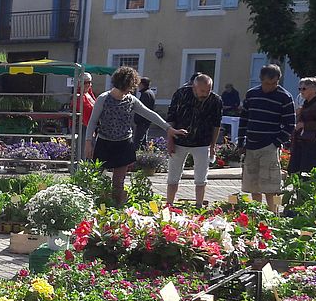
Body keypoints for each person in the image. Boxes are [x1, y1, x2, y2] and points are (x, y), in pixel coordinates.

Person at [85, 66, 186, 205]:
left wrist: (168, 128)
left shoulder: (131, 100)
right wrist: (88, 142)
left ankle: (116, 208)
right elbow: (92, 121)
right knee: (96, 178)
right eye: (127, 87)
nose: (128, 91)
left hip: (124, 144)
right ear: (120, 84)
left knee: (118, 182)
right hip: (104, 142)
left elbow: (149, 114)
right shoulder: (103, 98)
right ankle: (96, 206)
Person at [237, 63, 296, 213]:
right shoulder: (252, 94)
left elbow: (290, 124)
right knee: (253, 185)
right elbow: (244, 119)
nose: (271, 86)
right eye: (267, 83)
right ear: (261, 79)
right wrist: (241, 141)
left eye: (274, 83)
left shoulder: (285, 97)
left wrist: (276, 142)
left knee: (271, 186)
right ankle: (258, 213)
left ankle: (273, 214)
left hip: (269, 147)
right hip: (251, 145)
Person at [165, 74, 222, 207]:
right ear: (194, 87)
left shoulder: (216, 100)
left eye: (208, 90)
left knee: (201, 177)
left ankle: (199, 205)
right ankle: (169, 204)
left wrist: (213, 145)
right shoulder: (181, 94)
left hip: (202, 142)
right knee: (173, 175)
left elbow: (216, 125)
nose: (205, 94)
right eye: (202, 91)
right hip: (179, 140)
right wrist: (170, 140)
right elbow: (171, 117)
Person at [288, 76, 316, 176]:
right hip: (301, 141)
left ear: (314, 89)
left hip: (312, 143)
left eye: (304, 89)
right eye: (300, 88)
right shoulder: (306, 103)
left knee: (305, 172)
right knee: (293, 170)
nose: (301, 91)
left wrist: (304, 125)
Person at [133, 76, 156, 149]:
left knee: (137, 140)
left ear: (142, 84)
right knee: (143, 140)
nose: (138, 86)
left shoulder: (146, 94)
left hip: (143, 121)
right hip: (146, 120)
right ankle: (143, 152)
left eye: (139, 84)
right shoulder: (149, 93)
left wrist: (138, 119)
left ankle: (135, 154)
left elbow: (143, 109)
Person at [75, 73, 97, 147]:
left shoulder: (90, 94)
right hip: (83, 127)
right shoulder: (78, 96)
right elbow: (84, 113)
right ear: (80, 83)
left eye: (89, 82)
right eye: (85, 83)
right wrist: (91, 129)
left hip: (91, 127)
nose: (87, 85)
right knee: (84, 149)